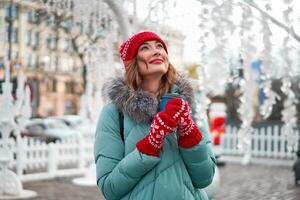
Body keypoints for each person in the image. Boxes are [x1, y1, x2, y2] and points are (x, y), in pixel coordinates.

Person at [94, 31, 216, 200]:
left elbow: (205, 178)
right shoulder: (114, 113)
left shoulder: (190, 107)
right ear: (132, 63)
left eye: (160, 46)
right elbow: (110, 189)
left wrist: (188, 133)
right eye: (145, 48)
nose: (157, 51)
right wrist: (150, 145)